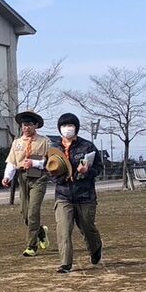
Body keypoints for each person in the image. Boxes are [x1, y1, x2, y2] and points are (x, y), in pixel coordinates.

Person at [50, 112, 103, 274]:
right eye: (64, 126)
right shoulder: (54, 148)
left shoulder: (87, 146)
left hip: (85, 195)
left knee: (87, 227)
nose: (67, 128)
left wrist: (87, 171)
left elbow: (99, 168)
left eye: (70, 125)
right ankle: (65, 263)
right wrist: (60, 176)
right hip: (63, 195)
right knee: (63, 229)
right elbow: (49, 171)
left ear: (76, 128)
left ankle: (95, 247)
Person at [1, 110, 51, 256]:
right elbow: (12, 161)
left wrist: (34, 163)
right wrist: (7, 177)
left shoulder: (45, 142)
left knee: (33, 212)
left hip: (39, 178)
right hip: (22, 178)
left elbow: (51, 161)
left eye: (29, 124)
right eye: (24, 125)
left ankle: (31, 246)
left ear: (36, 125)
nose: (26, 127)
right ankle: (40, 232)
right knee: (25, 213)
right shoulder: (17, 143)